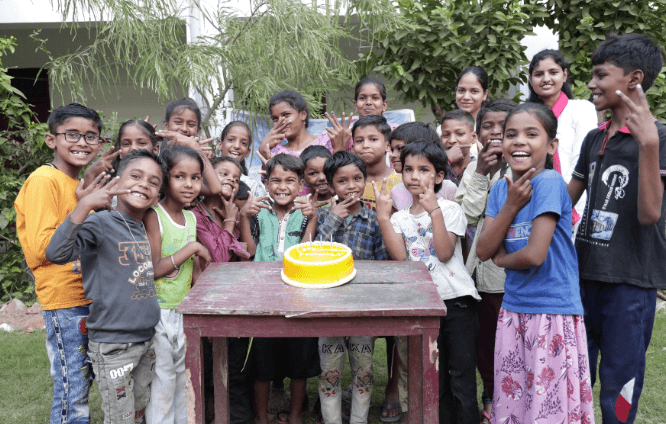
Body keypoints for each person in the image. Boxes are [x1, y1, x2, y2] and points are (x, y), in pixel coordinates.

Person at [568, 33, 666, 424]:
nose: (591, 84)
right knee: (574, 377)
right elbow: (566, 199)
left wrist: (648, 147)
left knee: (619, 384)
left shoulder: (660, 138)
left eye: (600, 75)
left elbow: (650, 214)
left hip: (630, 284)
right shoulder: (594, 138)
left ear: (633, 79)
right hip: (582, 276)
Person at [476, 103, 593, 423]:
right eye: (511, 134)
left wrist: (502, 259)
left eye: (531, 134)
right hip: (514, 309)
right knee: (516, 400)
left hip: (551, 310)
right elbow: (483, 249)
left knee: (548, 404)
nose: (519, 141)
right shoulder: (501, 190)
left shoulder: (550, 182)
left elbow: (534, 254)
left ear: (551, 145)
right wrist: (511, 205)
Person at [46, 150, 166, 424]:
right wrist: (85, 204)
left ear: (157, 196)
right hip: (113, 346)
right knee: (120, 416)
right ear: (116, 181)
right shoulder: (99, 222)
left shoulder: (141, 227)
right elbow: (55, 253)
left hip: (145, 340)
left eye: (153, 182)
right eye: (136, 176)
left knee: (138, 410)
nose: (143, 184)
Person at [375, 141, 480, 424]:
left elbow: (444, 253)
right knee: (435, 378)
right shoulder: (399, 218)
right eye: (408, 169)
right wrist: (383, 217)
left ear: (439, 176)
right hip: (425, 306)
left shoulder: (450, 209)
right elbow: (401, 259)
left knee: (461, 378)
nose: (414, 176)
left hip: (457, 303)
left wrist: (434, 211)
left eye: (423, 170)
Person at [14, 102, 103, 424]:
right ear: (52, 139)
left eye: (91, 136)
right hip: (65, 302)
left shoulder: (78, 184)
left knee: (86, 381)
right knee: (72, 388)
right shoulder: (44, 180)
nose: (82, 143)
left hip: (89, 296)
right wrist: (86, 205)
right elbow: (42, 249)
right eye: (72, 135)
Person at [238, 154, 320, 424]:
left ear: (301, 185)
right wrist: (244, 217)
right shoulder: (258, 211)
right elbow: (249, 251)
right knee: (262, 363)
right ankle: (262, 417)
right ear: (266, 183)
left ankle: (295, 414)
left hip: (298, 296)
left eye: (290, 181)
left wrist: (313, 218)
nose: (282, 186)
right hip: (264, 297)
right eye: (275, 180)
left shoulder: (305, 213)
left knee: (299, 362)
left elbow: (307, 253)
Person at [453, 99, 517, 424]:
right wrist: (479, 173)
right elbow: (465, 215)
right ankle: (490, 395)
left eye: (503, 127)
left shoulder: (519, 168)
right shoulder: (474, 168)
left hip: (502, 273)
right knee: (483, 342)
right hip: (473, 272)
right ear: (478, 134)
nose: (495, 132)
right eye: (488, 126)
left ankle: (505, 400)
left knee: (505, 340)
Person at [315, 151, 389, 424]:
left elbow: (383, 263)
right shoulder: (324, 216)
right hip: (329, 306)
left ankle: (359, 420)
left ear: (365, 180)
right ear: (331, 185)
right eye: (342, 181)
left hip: (362, 306)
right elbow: (315, 254)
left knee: (364, 371)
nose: (351, 186)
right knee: (329, 372)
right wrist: (333, 219)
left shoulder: (374, 219)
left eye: (357, 178)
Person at [143, 145, 212, 424]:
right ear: (165, 179)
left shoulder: (191, 218)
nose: (189, 184)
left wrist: (201, 283)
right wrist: (193, 247)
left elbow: (193, 270)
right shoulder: (154, 215)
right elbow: (152, 269)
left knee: (185, 379)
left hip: (183, 313)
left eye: (195, 178)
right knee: (163, 381)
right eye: (179, 176)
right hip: (158, 313)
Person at [527, 49, 598, 222]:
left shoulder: (581, 109)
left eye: (553, 72)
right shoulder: (525, 116)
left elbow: (582, 158)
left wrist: (561, 198)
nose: (546, 79)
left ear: (564, 75)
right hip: (533, 197)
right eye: (539, 74)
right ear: (531, 79)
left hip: (577, 200)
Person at [155, 97, 222, 196]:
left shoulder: (197, 158)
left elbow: (215, 188)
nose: (184, 129)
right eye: (178, 122)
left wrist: (197, 150)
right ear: (166, 126)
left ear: (198, 131)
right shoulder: (157, 154)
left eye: (191, 124)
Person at [191, 156, 250, 264]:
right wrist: (229, 222)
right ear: (206, 178)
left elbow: (249, 254)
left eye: (236, 179)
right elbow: (218, 261)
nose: (231, 179)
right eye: (224, 174)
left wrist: (242, 217)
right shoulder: (194, 217)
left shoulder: (234, 214)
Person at [317, 77, 398, 153]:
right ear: (355, 105)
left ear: (384, 105)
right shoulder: (344, 136)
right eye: (362, 98)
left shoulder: (394, 133)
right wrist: (340, 147)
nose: (368, 102)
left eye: (375, 98)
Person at [351, 115, 408, 211]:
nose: (365, 145)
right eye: (359, 141)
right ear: (353, 148)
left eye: (373, 139)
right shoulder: (348, 182)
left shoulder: (402, 182)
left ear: (388, 146)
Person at [217, 120, 268, 199]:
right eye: (231, 140)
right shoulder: (207, 175)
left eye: (243, 143)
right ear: (220, 144)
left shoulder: (252, 186)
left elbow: (265, 204)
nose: (237, 146)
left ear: (248, 152)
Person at [440, 109, 477, 186]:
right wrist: (446, 161)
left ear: (473, 137)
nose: (452, 140)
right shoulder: (435, 168)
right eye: (446, 135)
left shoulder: (480, 168)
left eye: (460, 134)